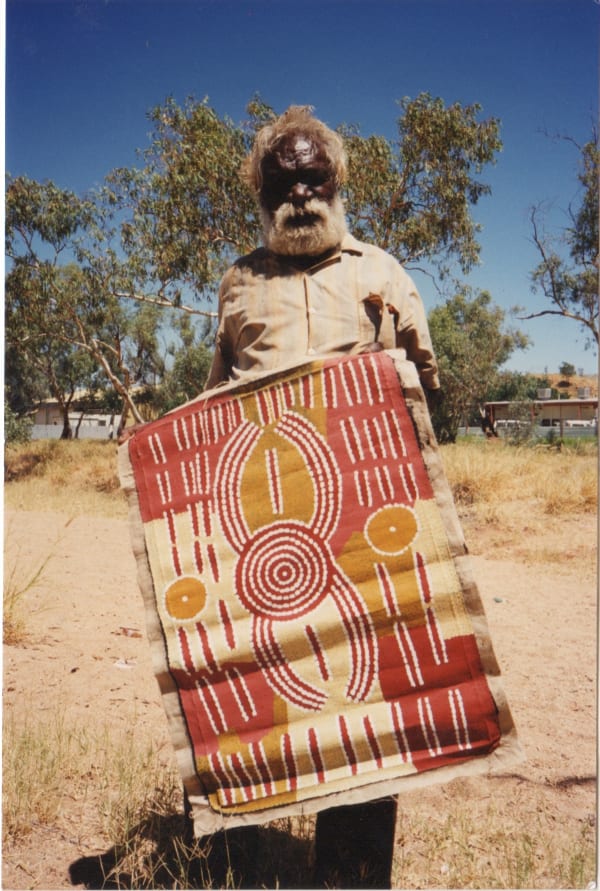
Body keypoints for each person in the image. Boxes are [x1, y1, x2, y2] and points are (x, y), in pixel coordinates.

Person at [202, 105, 440, 889]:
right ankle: (241, 863)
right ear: (261, 193)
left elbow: (423, 394)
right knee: (253, 702)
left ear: (337, 180)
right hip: (261, 541)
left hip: (365, 540)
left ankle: (353, 876)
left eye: (313, 178)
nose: (300, 193)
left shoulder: (383, 272)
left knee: (368, 705)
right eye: (283, 181)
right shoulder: (238, 282)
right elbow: (212, 411)